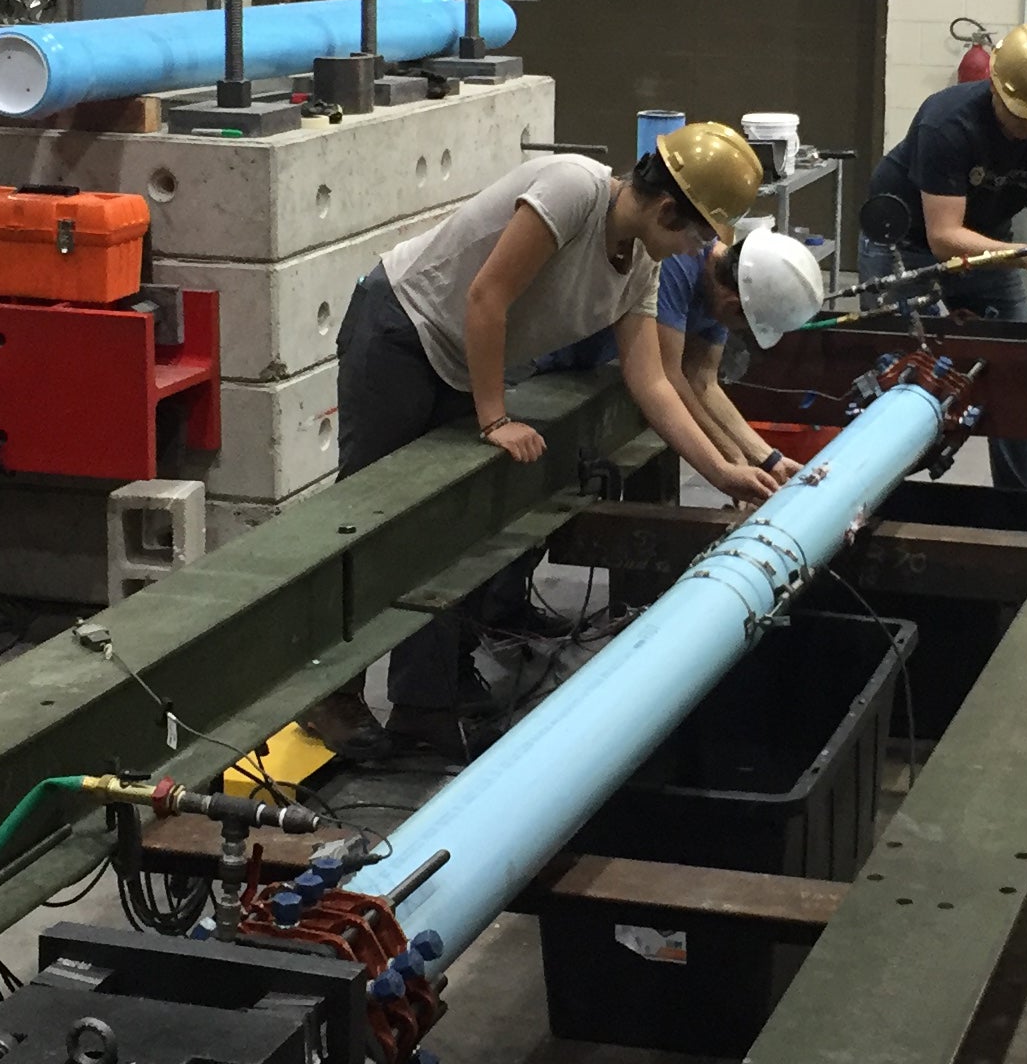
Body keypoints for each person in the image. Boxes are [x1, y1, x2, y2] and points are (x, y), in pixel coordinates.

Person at [301, 123, 783, 761]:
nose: (699, 249)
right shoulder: (572, 188)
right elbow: (486, 295)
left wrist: (724, 472)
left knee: (452, 525)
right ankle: (331, 695)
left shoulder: (641, 264)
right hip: (402, 330)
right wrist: (495, 417)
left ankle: (426, 701)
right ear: (669, 209)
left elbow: (653, 382)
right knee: (367, 519)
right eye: (699, 233)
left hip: (460, 359)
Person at [856, 21, 1027, 491]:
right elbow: (944, 237)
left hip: (991, 241)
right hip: (906, 242)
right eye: (1019, 113)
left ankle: (1017, 504)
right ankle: (878, 497)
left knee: (1010, 374)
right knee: (903, 377)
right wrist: (1023, 255)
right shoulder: (947, 122)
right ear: (993, 86)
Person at [532, 228, 830, 484]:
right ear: (734, 304)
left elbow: (702, 380)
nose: (738, 332)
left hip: (576, 361)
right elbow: (669, 377)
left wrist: (768, 459)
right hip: (535, 355)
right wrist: (730, 463)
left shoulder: (724, 288)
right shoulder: (675, 266)